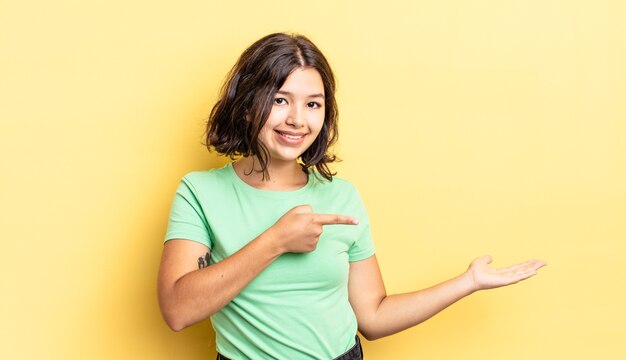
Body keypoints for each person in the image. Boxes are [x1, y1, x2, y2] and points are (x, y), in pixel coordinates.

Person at [157, 33, 547, 360]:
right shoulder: (200, 192)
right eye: (280, 99)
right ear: (246, 106)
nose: (297, 119)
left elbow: (373, 317)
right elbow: (177, 310)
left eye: (313, 104)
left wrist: (469, 281)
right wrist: (275, 241)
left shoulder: (341, 197)